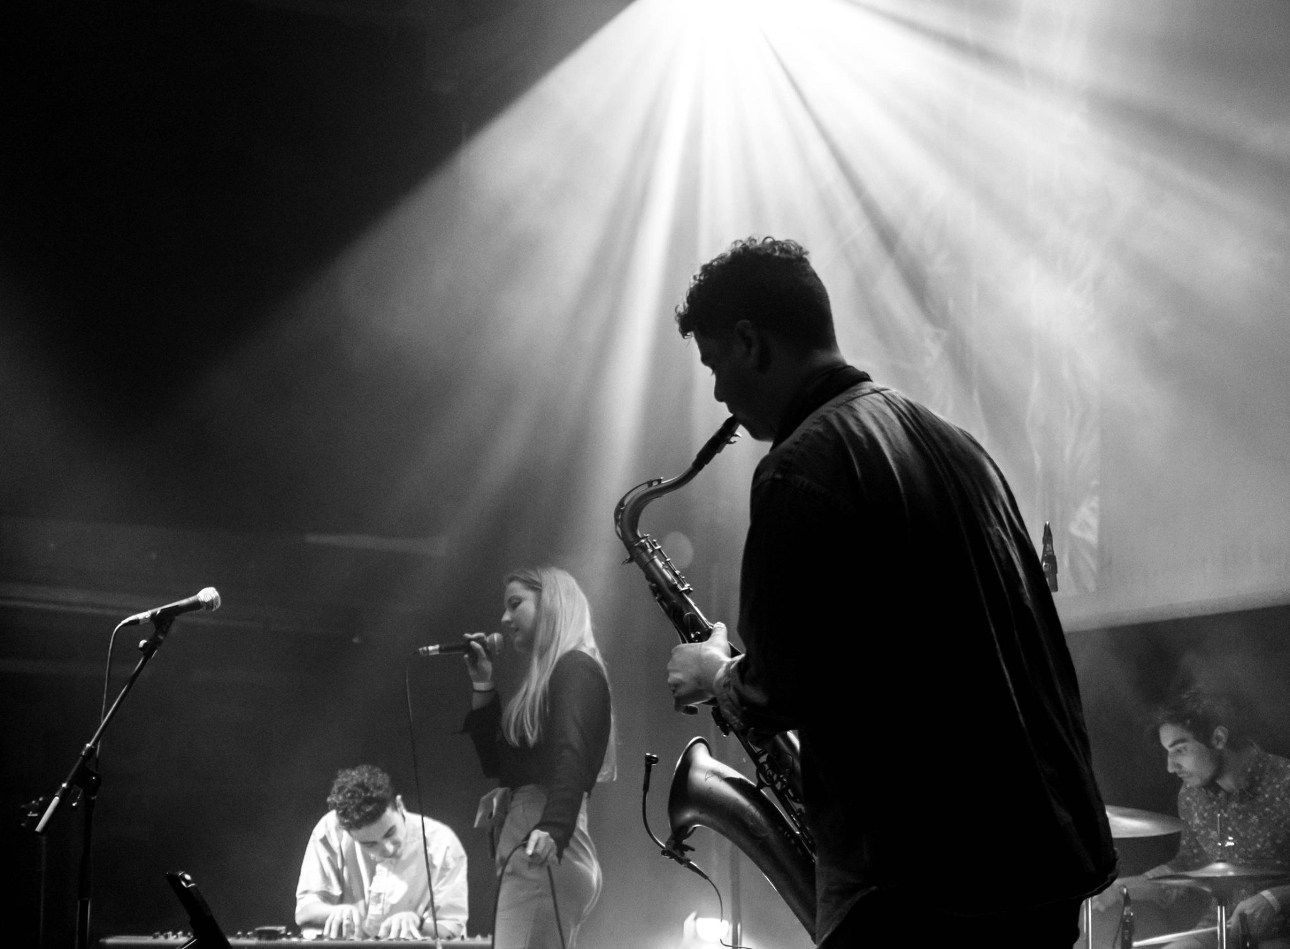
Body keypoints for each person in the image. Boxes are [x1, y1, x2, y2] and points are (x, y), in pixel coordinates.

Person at [663, 237, 1117, 948]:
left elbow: (776, 688)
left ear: (751, 342)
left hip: (925, 887)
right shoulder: (961, 447)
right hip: (1042, 869)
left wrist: (717, 673)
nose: (719, 394)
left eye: (715, 364)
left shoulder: (799, 467)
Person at [461, 566, 614, 949]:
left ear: (552, 606)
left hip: (543, 842)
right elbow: (500, 767)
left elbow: (572, 754)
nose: (504, 618)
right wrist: (483, 683)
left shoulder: (575, 667)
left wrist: (554, 828)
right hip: (541, 840)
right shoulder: (556, 675)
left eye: (516, 604)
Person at [1098, 689, 1290, 949]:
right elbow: (1188, 868)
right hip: (1219, 927)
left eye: (1180, 750)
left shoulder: (1284, 781)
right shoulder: (1192, 796)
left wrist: (1275, 898)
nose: (1170, 766)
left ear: (1218, 738)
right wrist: (1120, 889)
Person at [295, 764, 468, 940]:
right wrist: (334, 912)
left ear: (399, 806)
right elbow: (304, 912)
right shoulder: (331, 830)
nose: (387, 849)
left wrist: (418, 922)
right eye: (369, 844)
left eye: (390, 833)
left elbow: (451, 928)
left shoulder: (441, 843)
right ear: (346, 830)